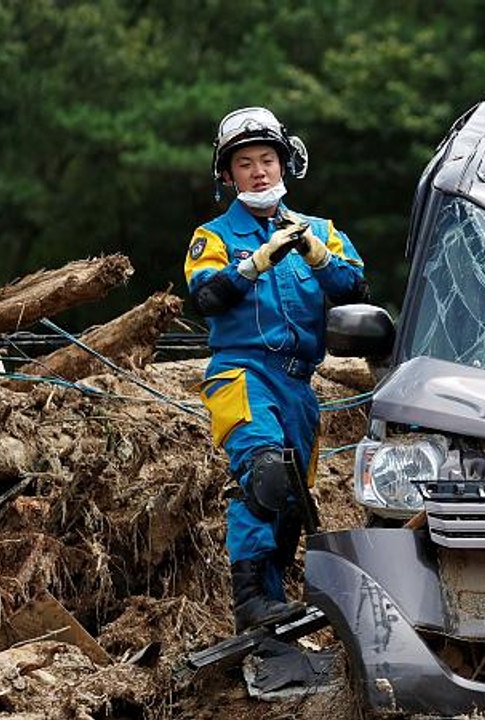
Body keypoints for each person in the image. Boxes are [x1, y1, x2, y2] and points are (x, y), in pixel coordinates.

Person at [183, 107, 367, 632]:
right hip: (241, 372)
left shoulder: (323, 231)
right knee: (263, 473)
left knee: (289, 497)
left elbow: (356, 290)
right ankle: (249, 603)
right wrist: (255, 263)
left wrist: (315, 255)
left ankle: (272, 605)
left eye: (267, 159)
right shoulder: (212, 236)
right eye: (245, 163)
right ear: (227, 174)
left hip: (297, 383)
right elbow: (208, 297)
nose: (259, 171)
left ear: (286, 165)